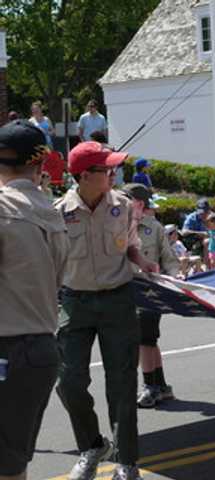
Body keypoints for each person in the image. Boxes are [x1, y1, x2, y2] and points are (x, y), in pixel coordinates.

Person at [54, 141, 158, 480]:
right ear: (84, 175)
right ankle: (92, 445)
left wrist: (143, 261)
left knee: (122, 384)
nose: (114, 174)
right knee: (69, 382)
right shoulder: (57, 212)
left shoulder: (124, 205)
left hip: (118, 299)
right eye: (106, 169)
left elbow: (130, 247)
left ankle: (127, 461)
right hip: (74, 302)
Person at [0, 120, 69, 480]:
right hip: (40, 349)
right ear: (40, 165)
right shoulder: (52, 213)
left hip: (6, 348)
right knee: (13, 466)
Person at [121, 183, 181, 409]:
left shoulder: (153, 227)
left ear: (138, 203)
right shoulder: (117, 223)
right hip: (124, 289)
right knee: (149, 340)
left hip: (148, 290)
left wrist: (173, 281)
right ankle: (161, 385)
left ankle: (149, 387)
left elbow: (169, 259)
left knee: (143, 339)